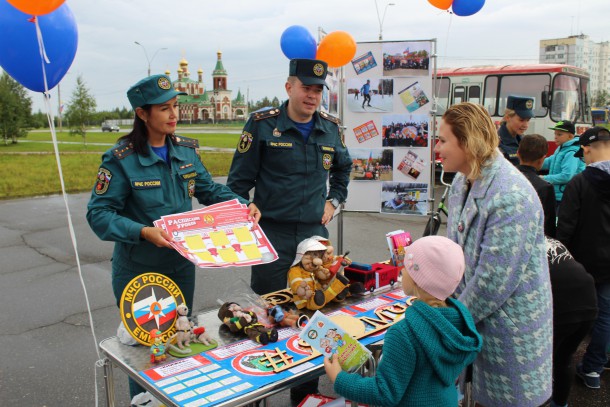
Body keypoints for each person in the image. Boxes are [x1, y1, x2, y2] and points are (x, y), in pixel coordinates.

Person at [86, 74, 260, 400]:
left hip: (180, 267)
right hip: (140, 270)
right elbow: (99, 214)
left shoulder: (185, 151)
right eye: (164, 108)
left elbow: (209, 190)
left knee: (179, 339)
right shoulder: (121, 160)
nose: (173, 114)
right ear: (142, 114)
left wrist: (242, 206)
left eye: (175, 106)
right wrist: (142, 231)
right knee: (145, 350)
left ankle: (173, 399)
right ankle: (144, 401)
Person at [226, 58, 351, 402]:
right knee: (267, 318)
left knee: (309, 319)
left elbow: (344, 169)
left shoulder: (330, 127)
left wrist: (334, 202)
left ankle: (304, 398)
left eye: (317, 90)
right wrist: (244, 210)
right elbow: (238, 182)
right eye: (306, 88)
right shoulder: (262, 125)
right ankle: (260, 395)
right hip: (271, 238)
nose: (312, 96)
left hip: (313, 240)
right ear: (289, 87)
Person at [435, 102, 552, 406]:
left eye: (443, 140)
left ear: (468, 142)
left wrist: (441, 323)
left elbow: (491, 283)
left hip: (507, 335)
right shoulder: (463, 179)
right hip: (475, 327)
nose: (437, 147)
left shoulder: (511, 196)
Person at [324, 236, 482, 407]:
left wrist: (339, 378)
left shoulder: (404, 334)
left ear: (417, 279)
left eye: (406, 267)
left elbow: (384, 392)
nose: (401, 271)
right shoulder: (459, 321)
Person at [556, 126, 610, 390]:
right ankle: (592, 370)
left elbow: (565, 225)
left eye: (583, 153)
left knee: (570, 316)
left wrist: (561, 263)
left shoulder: (579, 182)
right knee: (604, 317)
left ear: (588, 149)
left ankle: (559, 362)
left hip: (581, 263)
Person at [544, 237, 597, 407]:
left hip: (562, 306)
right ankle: (560, 403)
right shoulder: (554, 242)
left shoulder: (520, 246)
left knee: (541, 362)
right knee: (564, 358)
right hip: (589, 301)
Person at [517, 133, 557, 237]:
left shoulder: (505, 178)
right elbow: (548, 226)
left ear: (518, 153)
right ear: (542, 159)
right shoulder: (545, 188)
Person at [541, 120, 585, 208]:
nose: (555, 137)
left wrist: (543, 178)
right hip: (556, 195)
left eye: (559, 134)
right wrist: (532, 163)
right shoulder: (561, 148)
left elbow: (566, 176)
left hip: (564, 197)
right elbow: (550, 161)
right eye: (555, 134)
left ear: (570, 136)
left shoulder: (571, 152)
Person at [498, 95, 534, 166]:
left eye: (528, 120)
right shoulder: (496, 142)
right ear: (507, 117)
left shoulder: (524, 141)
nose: (526, 125)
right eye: (521, 120)